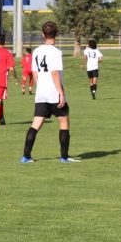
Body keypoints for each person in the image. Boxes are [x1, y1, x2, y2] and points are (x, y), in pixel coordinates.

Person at [21, 21, 78, 163]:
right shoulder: (56, 52)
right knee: (64, 122)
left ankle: (26, 156)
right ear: (56, 35)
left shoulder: (37, 51)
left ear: (42, 35)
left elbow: (34, 72)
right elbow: (54, 73)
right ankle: (64, 157)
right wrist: (61, 94)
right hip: (54, 93)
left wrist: (40, 86)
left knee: (36, 124)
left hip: (41, 93)